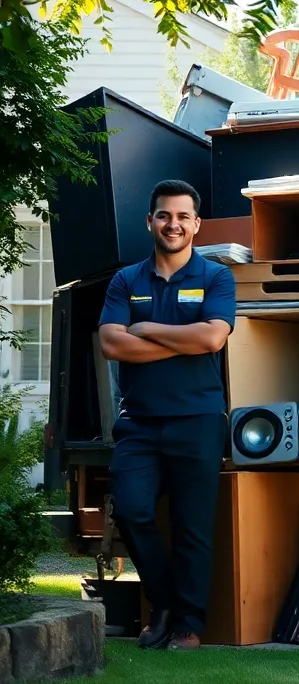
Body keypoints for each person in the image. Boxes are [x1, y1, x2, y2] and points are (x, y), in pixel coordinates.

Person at [97, 180, 236, 651]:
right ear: (150, 222)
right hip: (138, 422)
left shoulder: (216, 277)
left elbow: (213, 339)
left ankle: (189, 627)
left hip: (198, 419)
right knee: (134, 509)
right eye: (163, 215)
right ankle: (163, 603)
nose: (172, 224)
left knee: (192, 526)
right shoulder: (126, 280)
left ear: (196, 224)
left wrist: (148, 329)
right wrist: (182, 339)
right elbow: (111, 344)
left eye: (182, 216)